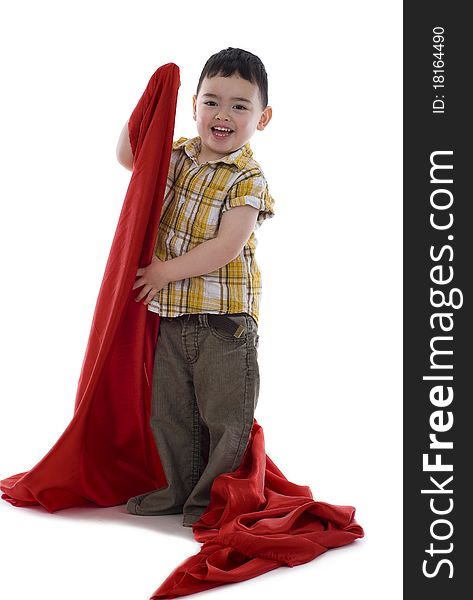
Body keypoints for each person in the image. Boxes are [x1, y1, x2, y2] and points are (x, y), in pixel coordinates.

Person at [116, 47, 275, 527]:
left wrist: (164, 271)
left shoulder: (248, 178)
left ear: (262, 118)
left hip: (226, 326)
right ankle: (176, 489)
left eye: (239, 106)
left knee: (225, 418)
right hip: (173, 318)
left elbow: (227, 246)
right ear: (194, 105)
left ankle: (213, 500)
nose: (222, 115)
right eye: (212, 101)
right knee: (170, 412)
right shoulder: (180, 155)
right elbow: (128, 156)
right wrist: (150, 97)